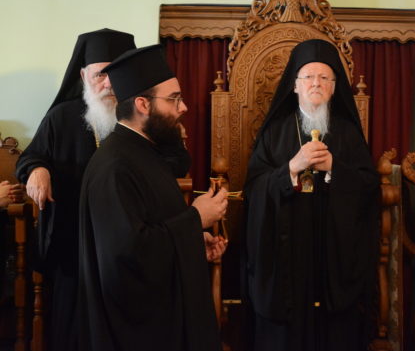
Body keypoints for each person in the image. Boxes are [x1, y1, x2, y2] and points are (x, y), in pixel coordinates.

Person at [78, 44, 227, 351]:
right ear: (143, 104)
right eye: (174, 99)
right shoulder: (115, 166)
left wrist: (194, 242)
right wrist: (196, 218)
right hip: (139, 334)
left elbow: (156, 227)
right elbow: (129, 257)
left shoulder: (145, 152)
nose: (184, 107)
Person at [243, 39, 379, 351]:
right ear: (294, 86)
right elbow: (254, 189)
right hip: (285, 256)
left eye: (324, 77)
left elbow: (369, 186)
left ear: (334, 87)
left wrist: (334, 169)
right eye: (308, 77)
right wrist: (291, 168)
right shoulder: (275, 132)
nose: (316, 83)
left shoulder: (347, 133)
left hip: (334, 258)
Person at [15, 28, 136, 351]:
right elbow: (30, 157)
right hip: (74, 245)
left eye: (115, 74)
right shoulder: (62, 117)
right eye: (100, 75)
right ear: (83, 76)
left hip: (126, 244)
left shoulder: (139, 115)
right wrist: (37, 169)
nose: (108, 83)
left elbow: (174, 161)